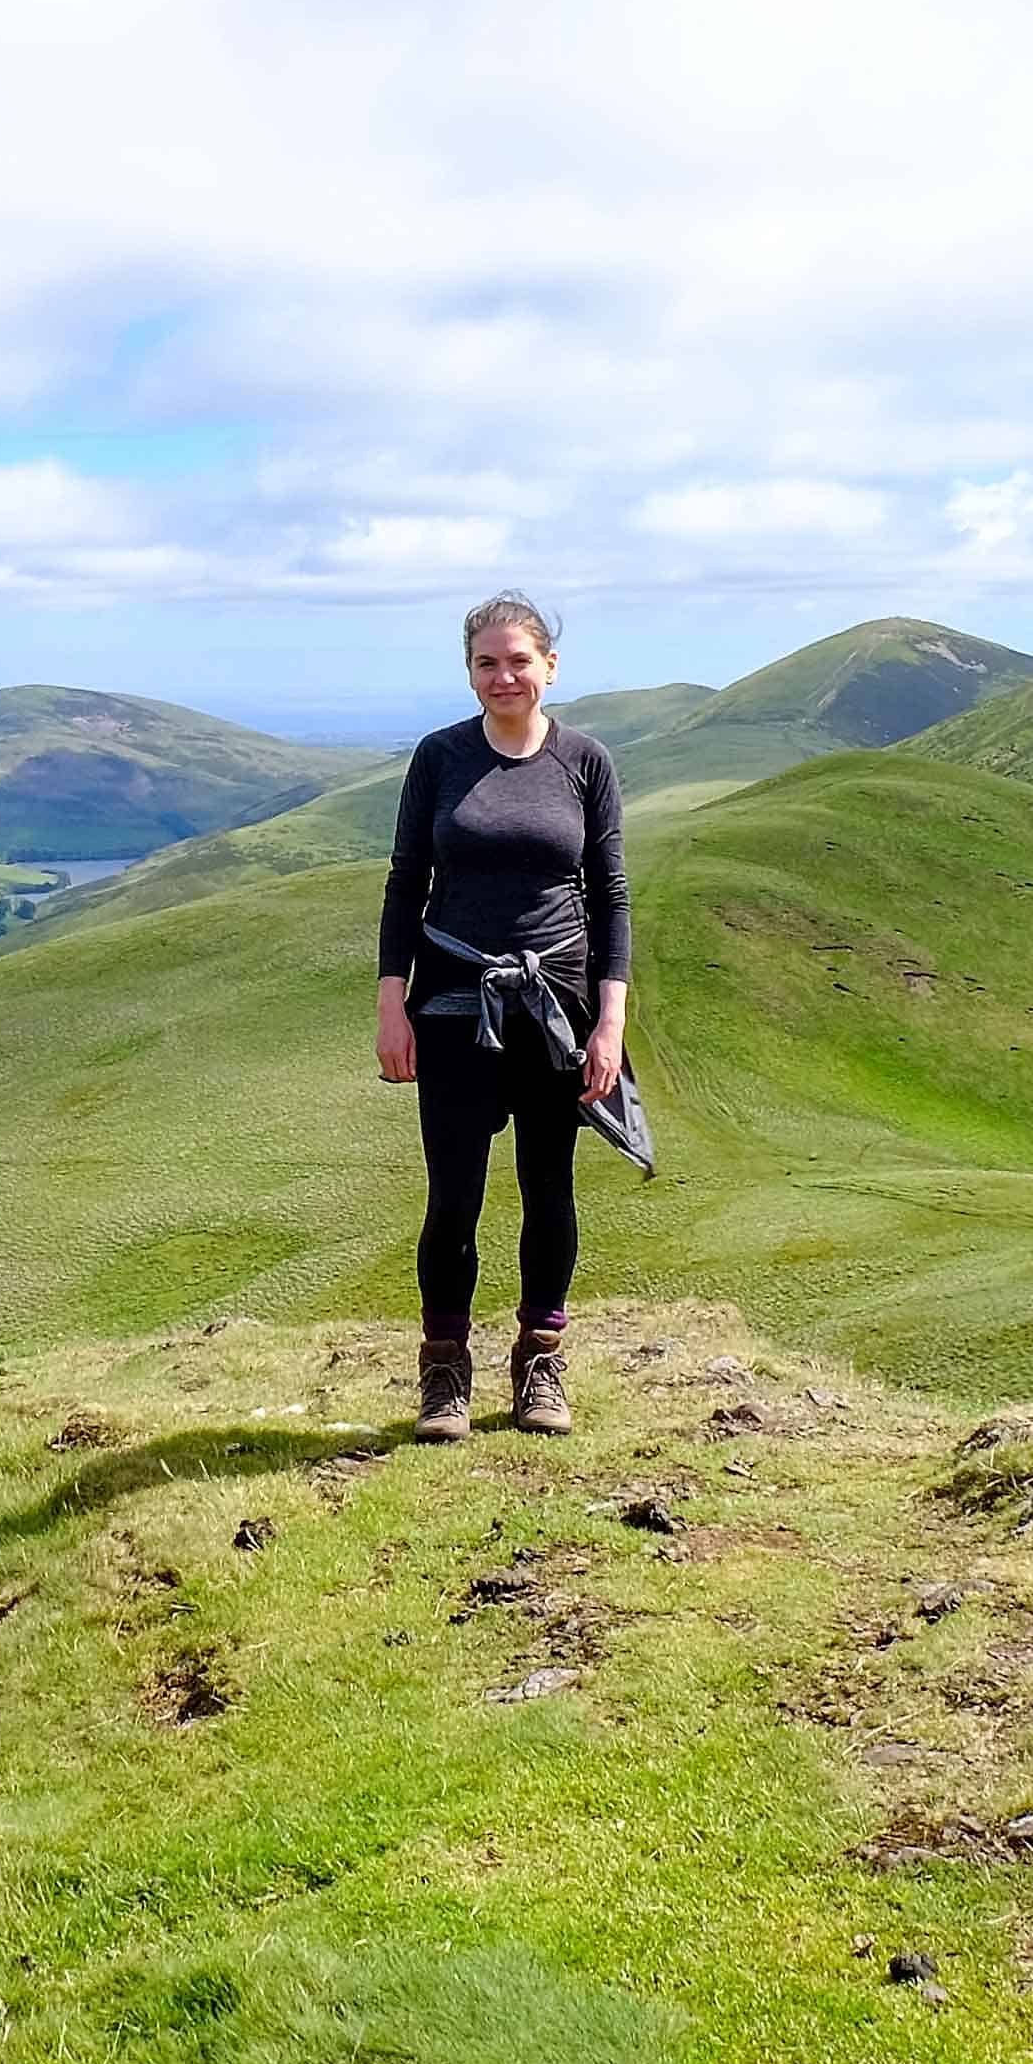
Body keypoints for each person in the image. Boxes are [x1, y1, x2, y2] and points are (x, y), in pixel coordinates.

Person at [374, 592, 630, 1441]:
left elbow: (612, 896)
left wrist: (610, 1020)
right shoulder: (439, 757)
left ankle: (541, 1365)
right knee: (454, 1197)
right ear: (470, 671)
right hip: (452, 1002)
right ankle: (445, 1372)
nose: (504, 676)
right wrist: (391, 1004)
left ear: (550, 665)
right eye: (487, 662)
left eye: (519, 660)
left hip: (557, 1004)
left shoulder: (586, 762)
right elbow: (407, 880)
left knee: (548, 1189)